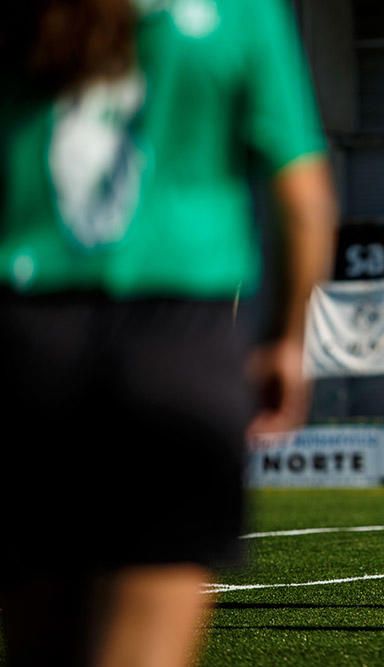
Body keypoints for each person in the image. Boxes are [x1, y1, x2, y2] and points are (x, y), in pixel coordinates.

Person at [0, 1, 335, 665]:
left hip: (29, 344)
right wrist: (285, 341)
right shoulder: (244, 12)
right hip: (178, 347)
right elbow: (304, 202)